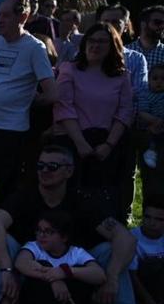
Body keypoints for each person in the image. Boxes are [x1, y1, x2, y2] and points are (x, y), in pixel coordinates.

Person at [0, 145, 137, 304]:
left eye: (52, 166)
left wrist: (111, 277)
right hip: (29, 273)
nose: (45, 171)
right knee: (0, 240)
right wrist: (6, 268)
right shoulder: (24, 196)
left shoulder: (83, 199)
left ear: (69, 171)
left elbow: (125, 237)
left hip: (76, 273)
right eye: (40, 166)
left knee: (111, 249)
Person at [0, 0, 57, 198]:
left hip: (11, 131)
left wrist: (29, 100)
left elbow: (52, 93)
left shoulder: (35, 48)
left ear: (23, 17)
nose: (0, 20)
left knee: (6, 188)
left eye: (6, 15)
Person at [52, 23, 133, 194]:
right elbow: (64, 107)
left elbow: (125, 111)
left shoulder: (122, 76)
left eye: (102, 41)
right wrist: (80, 143)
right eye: (92, 40)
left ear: (112, 46)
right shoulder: (68, 69)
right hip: (73, 141)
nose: (95, 45)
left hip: (106, 144)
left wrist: (108, 145)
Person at [15, 210, 106, 304]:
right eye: (39, 230)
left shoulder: (76, 253)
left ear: (64, 237)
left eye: (48, 232)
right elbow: (21, 263)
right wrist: (53, 279)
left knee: (81, 274)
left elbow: (99, 275)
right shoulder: (34, 247)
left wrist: (65, 272)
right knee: (40, 266)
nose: (41, 235)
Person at [129, 200, 164, 304]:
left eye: (158, 219)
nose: (152, 222)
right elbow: (132, 277)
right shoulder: (131, 237)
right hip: (142, 293)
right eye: (148, 217)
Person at [140, 65, 164, 168]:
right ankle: (151, 152)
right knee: (152, 136)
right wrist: (154, 120)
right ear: (148, 80)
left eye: (163, 79)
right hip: (151, 125)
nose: (159, 82)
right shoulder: (146, 95)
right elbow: (142, 112)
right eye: (155, 78)